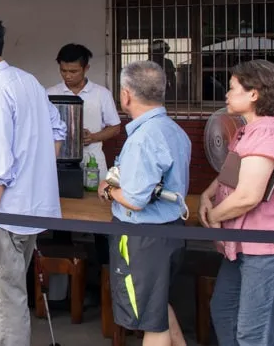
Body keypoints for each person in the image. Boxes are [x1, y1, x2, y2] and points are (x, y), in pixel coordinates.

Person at [0, 13, 66, 346]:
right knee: (9, 294)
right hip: (29, 210)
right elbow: (58, 130)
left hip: (4, 214)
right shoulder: (27, 81)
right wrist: (37, 172)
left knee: (7, 301)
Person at [98, 61, 189, 346]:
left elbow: (134, 200)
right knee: (157, 305)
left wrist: (107, 190)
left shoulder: (143, 138)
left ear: (125, 95)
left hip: (142, 238)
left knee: (151, 321)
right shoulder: (174, 130)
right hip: (170, 231)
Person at [199, 59, 274, 346]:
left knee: (253, 332)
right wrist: (207, 196)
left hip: (263, 248)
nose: (226, 94)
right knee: (224, 311)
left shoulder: (267, 132)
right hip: (240, 244)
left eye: (233, 88)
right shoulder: (247, 129)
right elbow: (231, 172)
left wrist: (214, 216)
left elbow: (248, 195)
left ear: (254, 94)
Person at [47, 43, 121, 289]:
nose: (68, 76)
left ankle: (104, 281)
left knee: (100, 221)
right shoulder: (50, 93)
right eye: (63, 71)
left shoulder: (101, 94)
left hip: (92, 162)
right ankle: (63, 282)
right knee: (61, 219)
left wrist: (94, 137)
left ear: (86, 68)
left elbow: (115, 127)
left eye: (73, 71)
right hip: (60, 163)